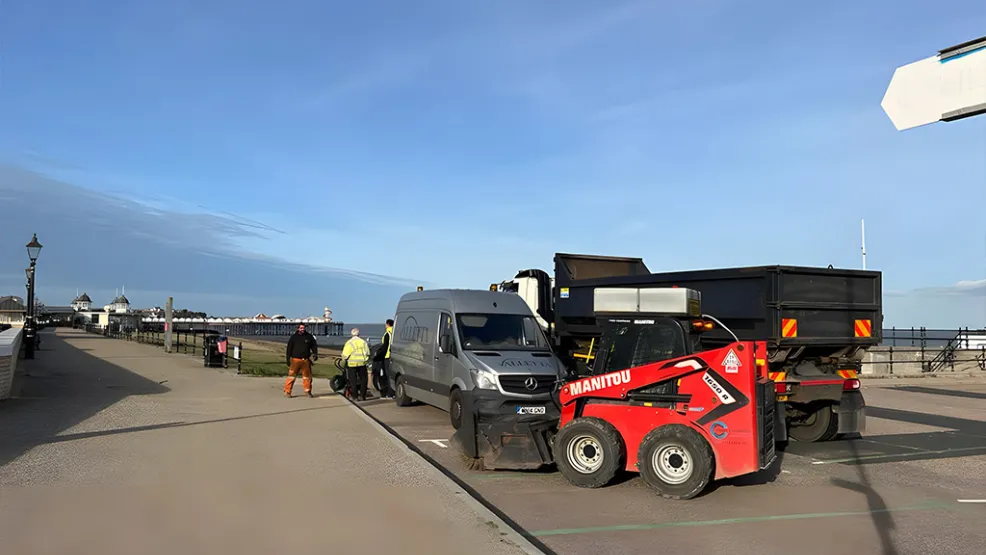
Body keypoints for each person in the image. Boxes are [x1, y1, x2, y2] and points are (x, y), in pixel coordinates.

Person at [284, 323, 318, 398]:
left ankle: (308, 391)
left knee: (307, 377)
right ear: (298, 328)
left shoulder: (309, 337)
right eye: (301, 328)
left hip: (305, 360)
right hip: (295, 360)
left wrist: (315, 354)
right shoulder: (294, 337)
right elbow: (289, 348)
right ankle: (287, 391)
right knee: (291, 377)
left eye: (303, 328)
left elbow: (314, 346)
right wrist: (288, 358)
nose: (302, 329)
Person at [342, 327, 371, 401]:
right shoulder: (363, 342)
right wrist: (366, 360)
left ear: (351, 334)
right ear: (359, 334)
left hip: (352, 364)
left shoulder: (349, 343)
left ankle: (355, 396)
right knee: (363, 380)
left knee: (353, 380)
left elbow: (345, 355)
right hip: (362, 363)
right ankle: (362, 395)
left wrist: (344, 360)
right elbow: (368, 353)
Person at [372, 319, 395, 398]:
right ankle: (393, 392)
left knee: (387, 375)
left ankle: (390, 393)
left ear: (388, 324)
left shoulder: (387, 333)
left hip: (387, 356)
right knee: (393, 375)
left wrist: (378, 356)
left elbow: (385, 347)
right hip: (394, 356)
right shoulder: (395, 332)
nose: (385, 326)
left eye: (386, 324)